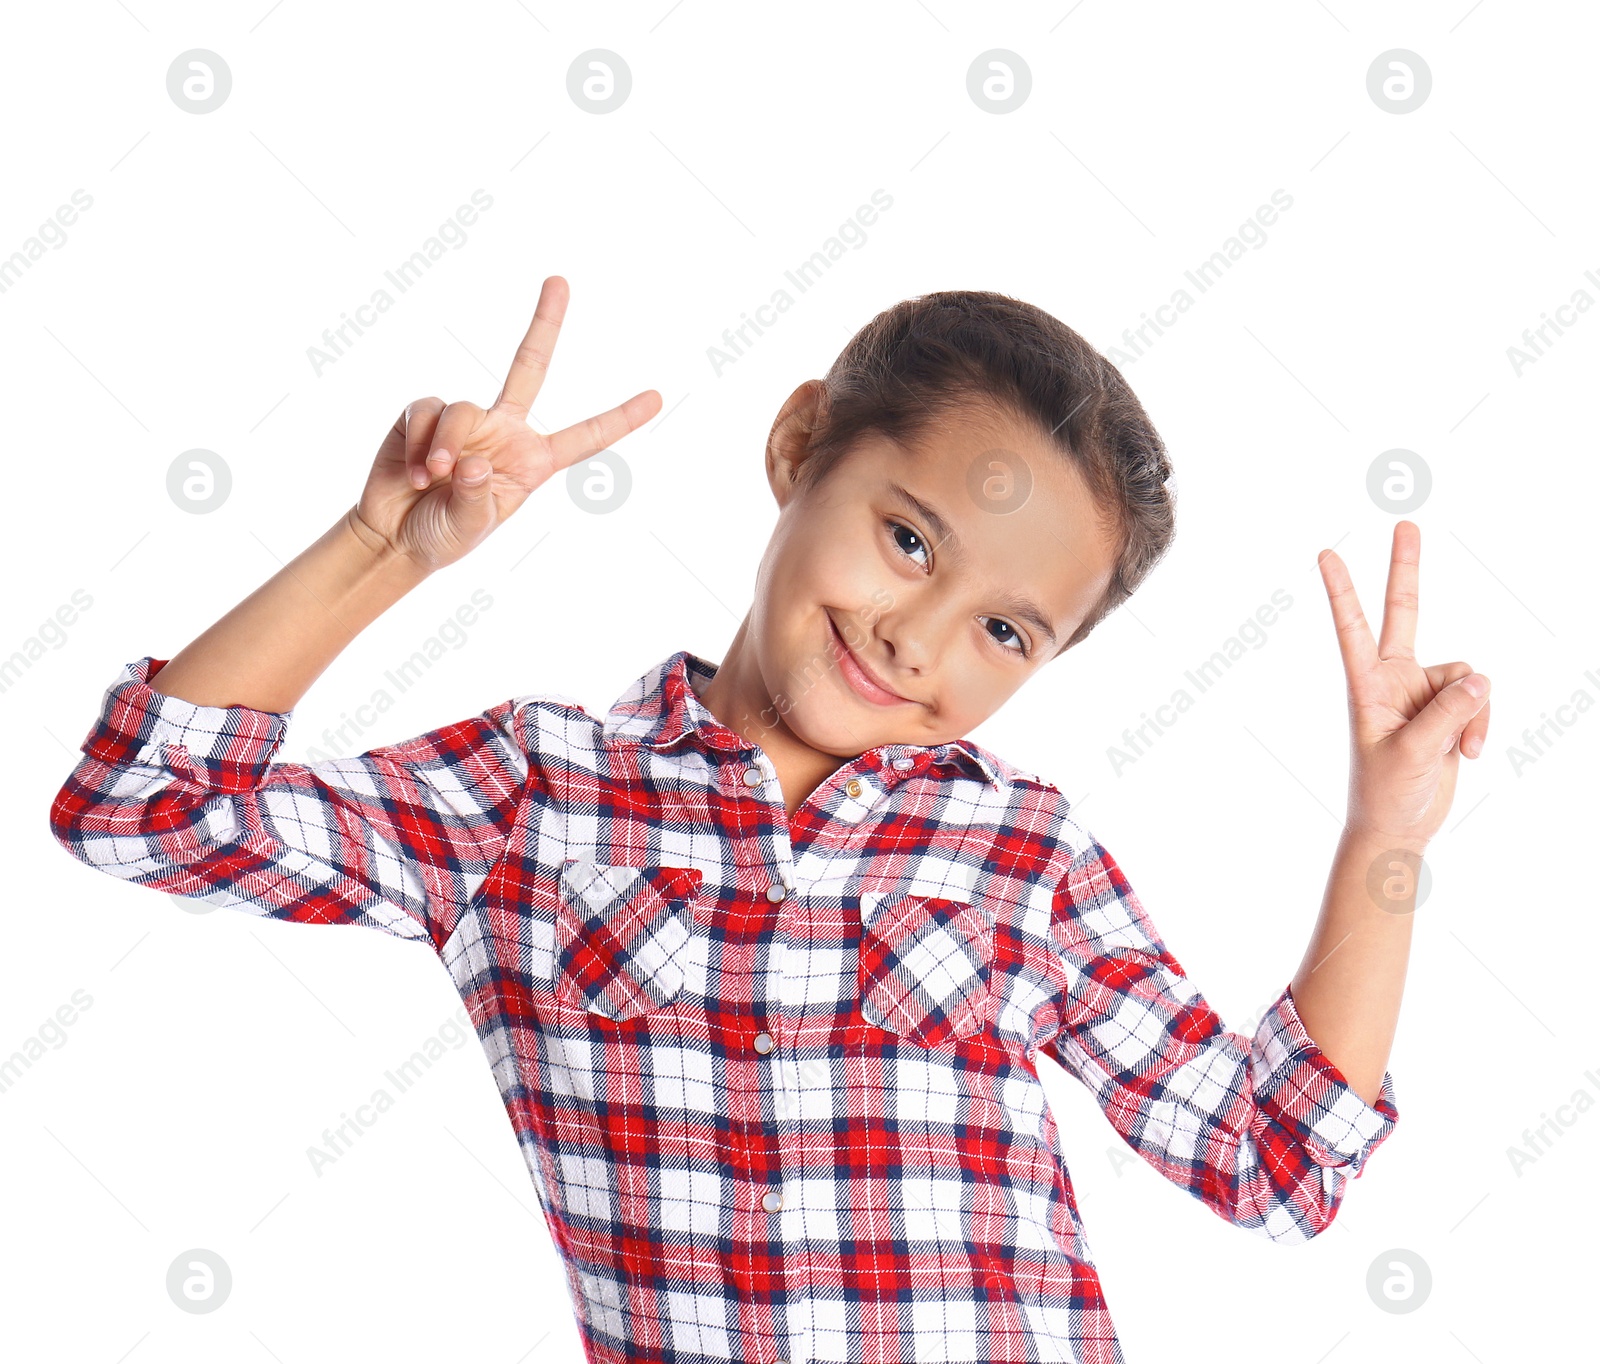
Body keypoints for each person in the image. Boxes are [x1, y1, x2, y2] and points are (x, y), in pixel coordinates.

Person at [49, 276, 1491, 1364]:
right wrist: (382, 546)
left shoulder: (1022, 855)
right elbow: (145, 804)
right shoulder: (532, 801)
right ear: (803, 444)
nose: (918, 635)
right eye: (908, 537)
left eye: (1003, 627)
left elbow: (1270, 1159)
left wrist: (1388, 831)